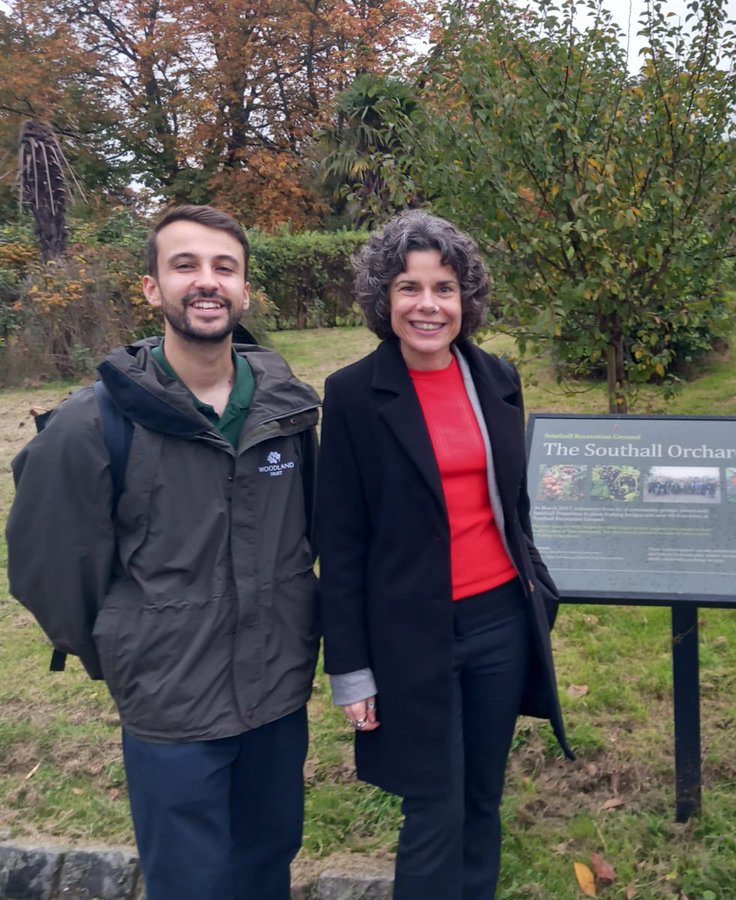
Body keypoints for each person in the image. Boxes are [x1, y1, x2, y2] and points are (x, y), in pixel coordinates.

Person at [7, 205, 320, 899]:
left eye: (223, 268)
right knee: (190, 884)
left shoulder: (288, 413)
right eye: (185, 266)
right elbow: (49, 570)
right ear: (151, 288)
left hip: (275, 700)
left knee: (267, 868)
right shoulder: (91, 427)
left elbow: (310, 535)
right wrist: (127, 647)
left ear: (244, 291)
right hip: (172, 713)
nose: (205, 282)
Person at [315, 209, 572, 899]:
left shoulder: (496, 377)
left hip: (500, 627)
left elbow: (511, 504)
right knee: (433, 806)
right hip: (410, 637)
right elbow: (338, 543)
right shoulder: (351, 397)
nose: (428, 304)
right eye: (408, 287)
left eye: (445, 287)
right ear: (383, 298)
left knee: (482, 802)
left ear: (467, 299)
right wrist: (351, 670)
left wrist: (537, 589)